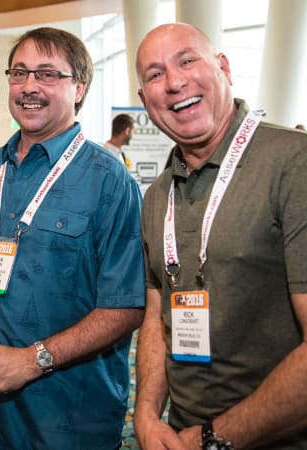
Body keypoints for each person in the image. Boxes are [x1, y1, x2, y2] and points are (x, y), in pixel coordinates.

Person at [0, 27, 145, 450]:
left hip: (66, 420)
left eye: (47, 74)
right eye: (20, 72)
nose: (29, 86)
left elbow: (126, 306)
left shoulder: (110, 181)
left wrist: (34, 360)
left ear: (79, 87)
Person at [134, 23, 307, 450]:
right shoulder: (157, 196)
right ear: (144, 100)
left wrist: (214, 438)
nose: (174, 83)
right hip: (181, 434)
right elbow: (156, 317)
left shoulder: (293, 163)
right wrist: (146, 415)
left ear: (224, 68)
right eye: (155, 74)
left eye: (187, 61)